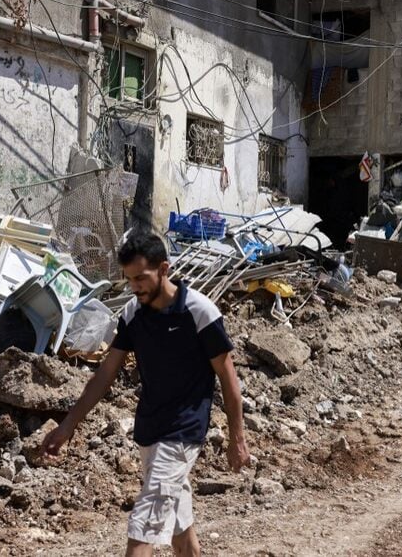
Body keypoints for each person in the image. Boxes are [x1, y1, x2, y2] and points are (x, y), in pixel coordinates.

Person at [41, 232, 249, 556]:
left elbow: (228, 377)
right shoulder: (132, 314)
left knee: (143, 526)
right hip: (150, 430)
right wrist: (68, 425)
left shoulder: (199, 312)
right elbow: (104, 374)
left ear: (163, 269)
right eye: (129, 280)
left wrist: (237, 438)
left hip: (183, 432)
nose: (135, 287)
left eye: (141, 278)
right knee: (180, 529)